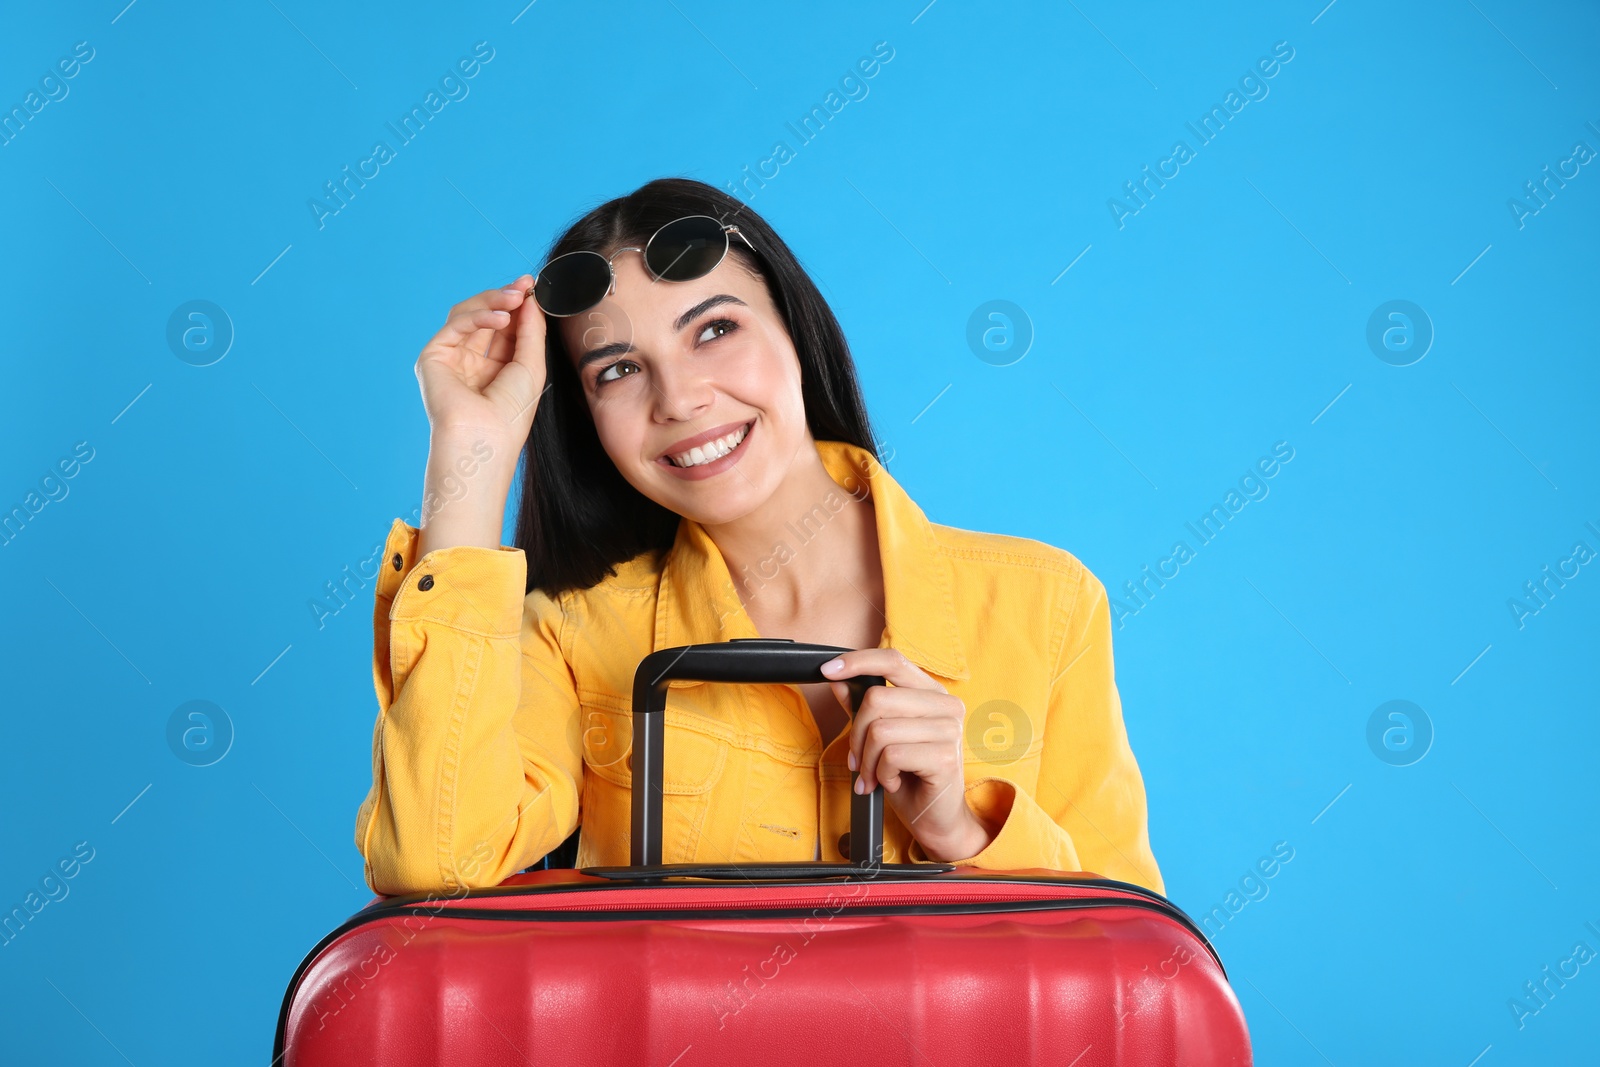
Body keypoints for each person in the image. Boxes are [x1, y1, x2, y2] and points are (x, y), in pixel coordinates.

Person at [354, 177, 1163, 897]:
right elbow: (435, 863)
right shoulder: (572, 634)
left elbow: (1136, 964)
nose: (680, 398)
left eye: (713, 330)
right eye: (617, 370)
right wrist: (472, 458)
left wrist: (963, 825)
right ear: (587, 420)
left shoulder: (1046, 604)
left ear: (795, 332)